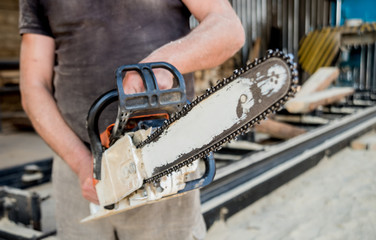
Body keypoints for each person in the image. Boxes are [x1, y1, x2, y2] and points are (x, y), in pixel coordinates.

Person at [19, 0, 245, 239]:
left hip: (164, 156)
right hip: (75, 157)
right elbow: (34, 85)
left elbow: (228, 28)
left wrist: (162, 62)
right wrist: (82, 163)